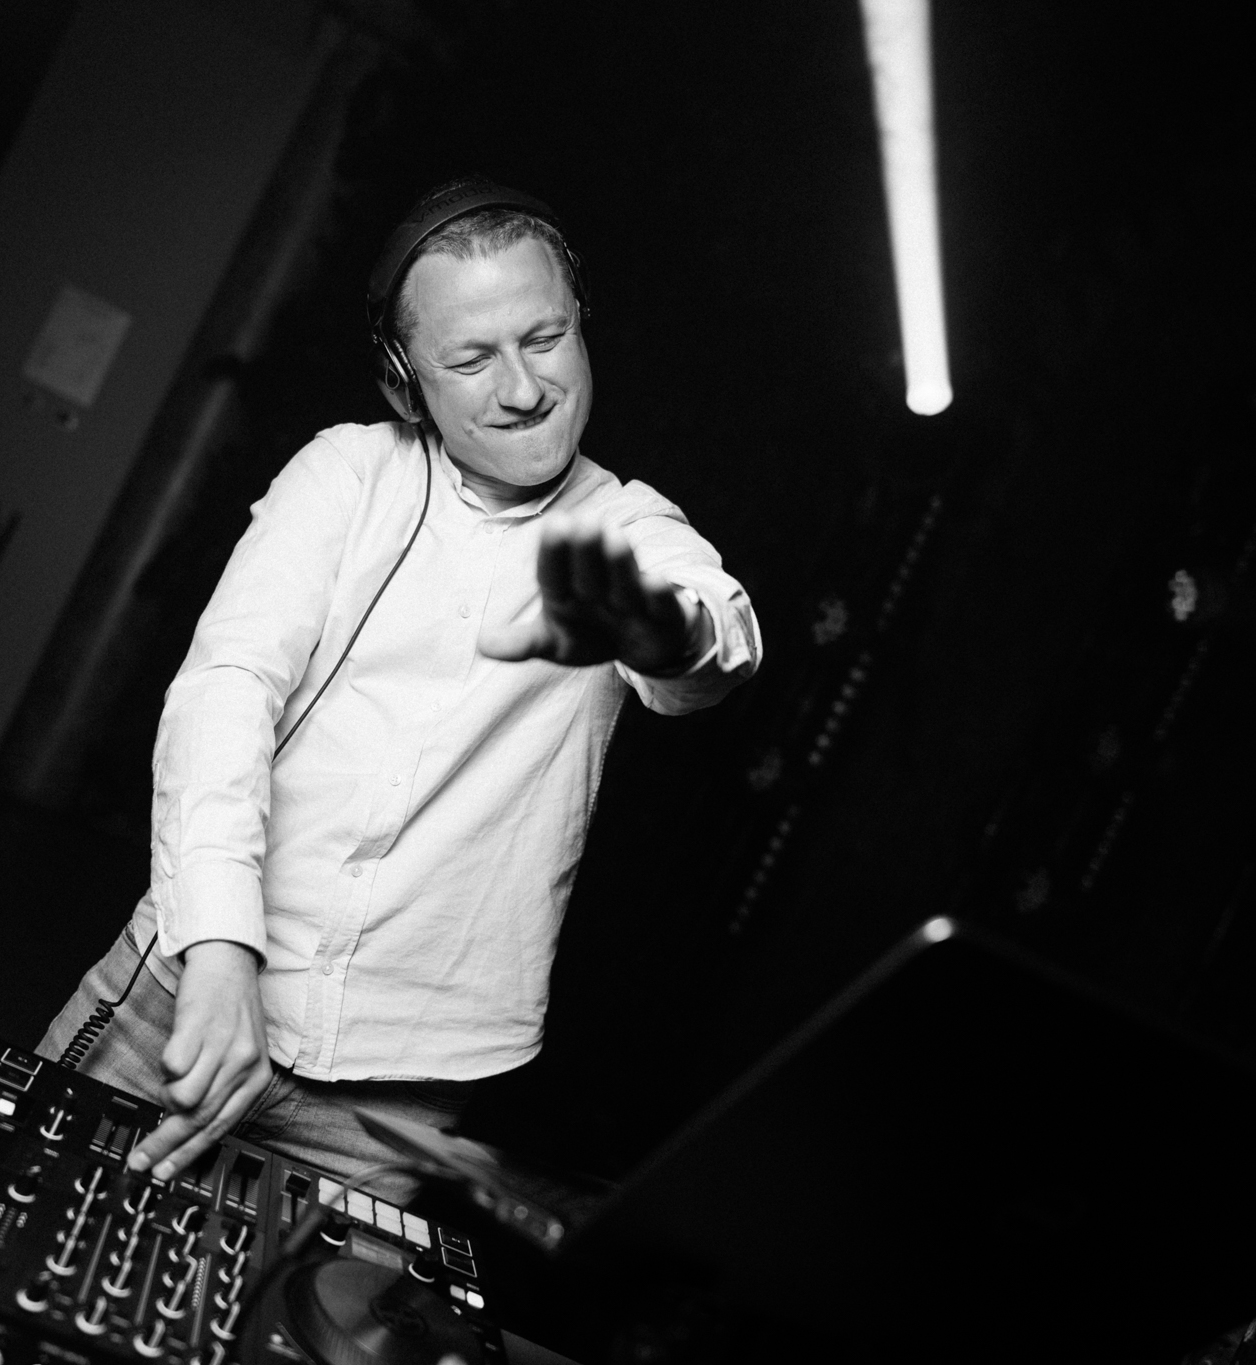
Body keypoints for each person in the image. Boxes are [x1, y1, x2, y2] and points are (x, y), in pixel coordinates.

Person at [40, 178, 761, 1196]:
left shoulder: (632, 528)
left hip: (398, 1102)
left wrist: (665, 629)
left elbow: (713, 649)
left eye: (545, 338)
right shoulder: (344, 476)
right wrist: (220, 947)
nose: (523, 388)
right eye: (471, 360)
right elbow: (226, 692)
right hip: (190, 997)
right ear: (404, 380)